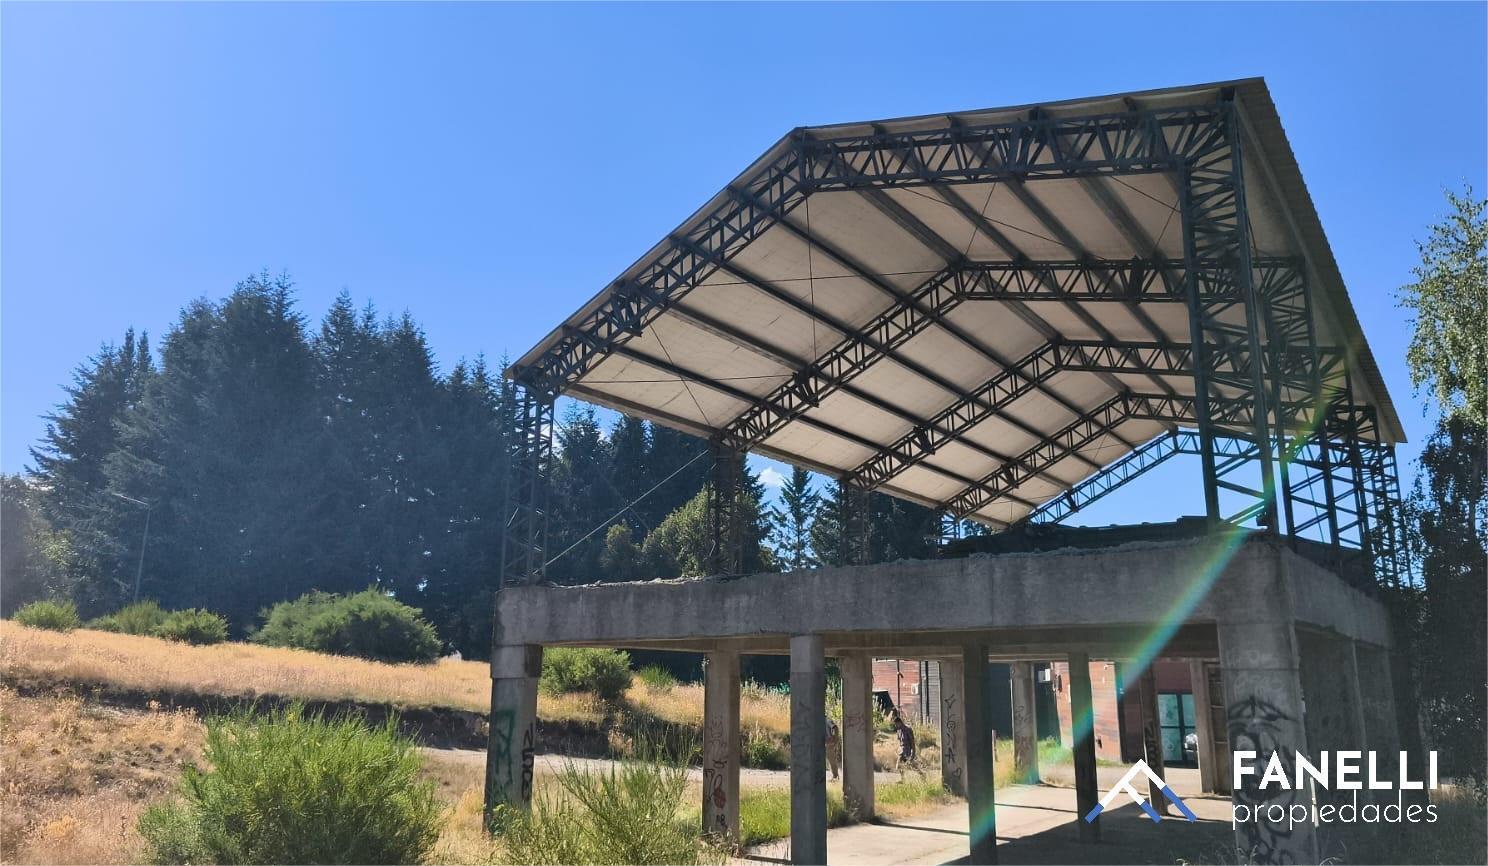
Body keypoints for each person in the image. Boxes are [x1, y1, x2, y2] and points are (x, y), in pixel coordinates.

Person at [892, 713, 921, 778]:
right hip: (902, 751)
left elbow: (912, 742)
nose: (895, 726)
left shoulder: (908, 729)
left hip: (908, 750)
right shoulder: (899, 730)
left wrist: (913, 753)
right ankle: (902, 779)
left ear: (899, 723)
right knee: (899, 766)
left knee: (912, 765)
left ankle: (922, 774)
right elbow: (900, 742)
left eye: (896, 724)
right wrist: (898, 750)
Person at [825, 713, 841, 780]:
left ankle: (835, 776)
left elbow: (835, 727)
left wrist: (834, 738)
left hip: (828, 743)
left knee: (832, 760)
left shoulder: (827, 720)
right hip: (823, 742)